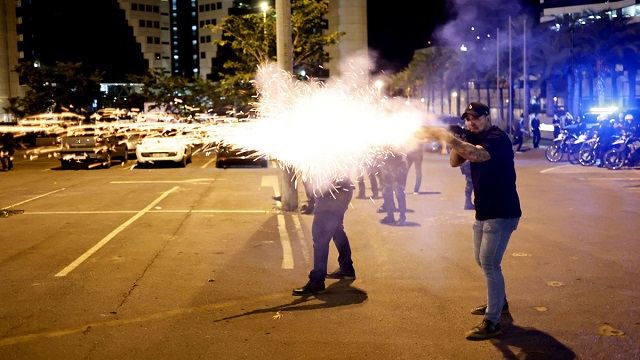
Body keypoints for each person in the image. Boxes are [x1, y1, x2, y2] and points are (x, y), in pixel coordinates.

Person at [418, 102, 521, 340]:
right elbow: (456, 161)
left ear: (487, 117)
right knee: (481, 259)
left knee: (489, 263)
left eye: (475, 118)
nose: (470, 122)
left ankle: (492, 322)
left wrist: (450, 138)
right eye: (467, 119)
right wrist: (455, 137)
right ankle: (499, 302)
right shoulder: (468, 135)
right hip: (483, 210)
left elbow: (477, 154)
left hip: (502, 210)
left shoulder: (497, 137)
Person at [292, 178, 356, 296]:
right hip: (340, 192)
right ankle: (346, 268)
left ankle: (317, 281)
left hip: (331, 196)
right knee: (337, 230)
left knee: (320, 237)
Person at [378, 150, 408, 226]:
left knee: (399, 192)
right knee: (386, 192)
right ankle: (390, 216)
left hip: (397, 165)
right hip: (386, 164)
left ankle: (402, 218)